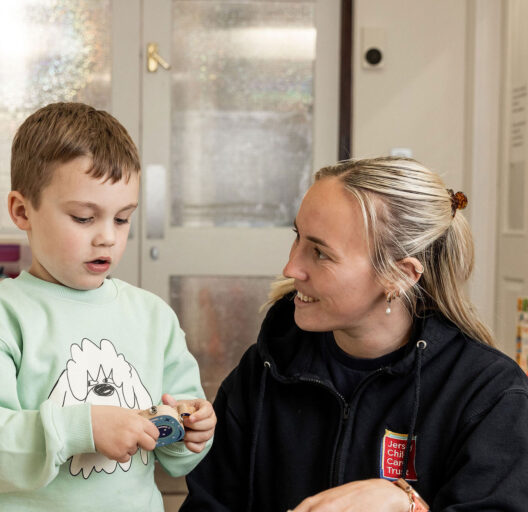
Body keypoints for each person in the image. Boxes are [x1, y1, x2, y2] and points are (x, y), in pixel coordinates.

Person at [181, 157, 528, 511]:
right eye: (297, 236)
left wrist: (404, 504)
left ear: (400, 275)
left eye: (320, 252)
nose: (290, 267)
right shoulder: (265, 368)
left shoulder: (490, 394)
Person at [0, 102, 216, 511]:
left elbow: (178, 452)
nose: (107, 237)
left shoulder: (153, 318)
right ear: (23, 211)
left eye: (122, 219)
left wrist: (192, 430)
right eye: (84, 218)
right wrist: (80, 428)